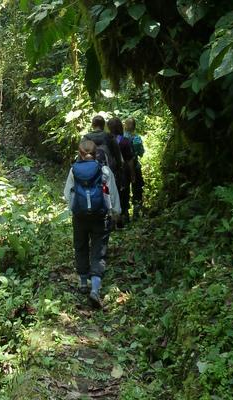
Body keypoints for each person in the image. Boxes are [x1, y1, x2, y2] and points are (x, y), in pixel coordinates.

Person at [64, 140, 121, 309]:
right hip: (100, 217)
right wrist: (115, 214)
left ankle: (83, 283)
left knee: (80, 246)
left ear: (80, 153)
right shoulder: (104, 170)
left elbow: (68, 194)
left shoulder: (74, 170)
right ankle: (95, 289)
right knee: (98, 251)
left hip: (80, 217)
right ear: (96, 153)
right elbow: (113, 196)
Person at [107, 117, 135, 226]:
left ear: (109, 128)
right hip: (123, 172)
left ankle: (113, 218)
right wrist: (133, 173)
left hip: (110, 172)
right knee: (124, 194)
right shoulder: (124, 141)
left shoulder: (106, 140)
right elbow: (129, 159)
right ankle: (124, 215)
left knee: (111, 194)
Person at [124, 118, 145, 218]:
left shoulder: (122, 138)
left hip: (124, 167)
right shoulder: (137, 138)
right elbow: (141, 153)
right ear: (134, 126)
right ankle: (136, 211)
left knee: (125, 189)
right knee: (137, 189)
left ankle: (125, 213)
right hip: (136, 166)